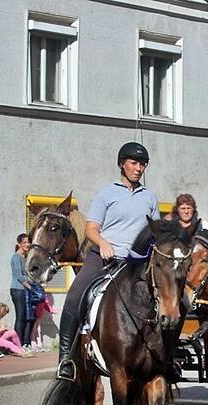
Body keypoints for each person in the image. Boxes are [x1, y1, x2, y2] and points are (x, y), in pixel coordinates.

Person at [56, 142, 159, 380]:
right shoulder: (107, 194)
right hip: (104, 257)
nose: (139, 168)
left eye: (142, 164)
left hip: (136, 261)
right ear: (122, 164)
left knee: (170, 296)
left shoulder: (150, 197)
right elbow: (91, 229)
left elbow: (155, 231)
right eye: (134, 163)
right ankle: (65, 359)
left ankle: (166, 357)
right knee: (74, 296)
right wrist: (103, 244)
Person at [10, 233, 34, 348]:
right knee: (20, 316)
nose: (27, 244)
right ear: (19, 244)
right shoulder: (16, 257)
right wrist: (30, 285)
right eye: (24, 242)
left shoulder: (25, 257)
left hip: (25, 290)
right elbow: (19, 275)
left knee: (27, 316)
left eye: (28, 242)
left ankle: (26, 342)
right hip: (18, 290)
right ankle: (17, 342)